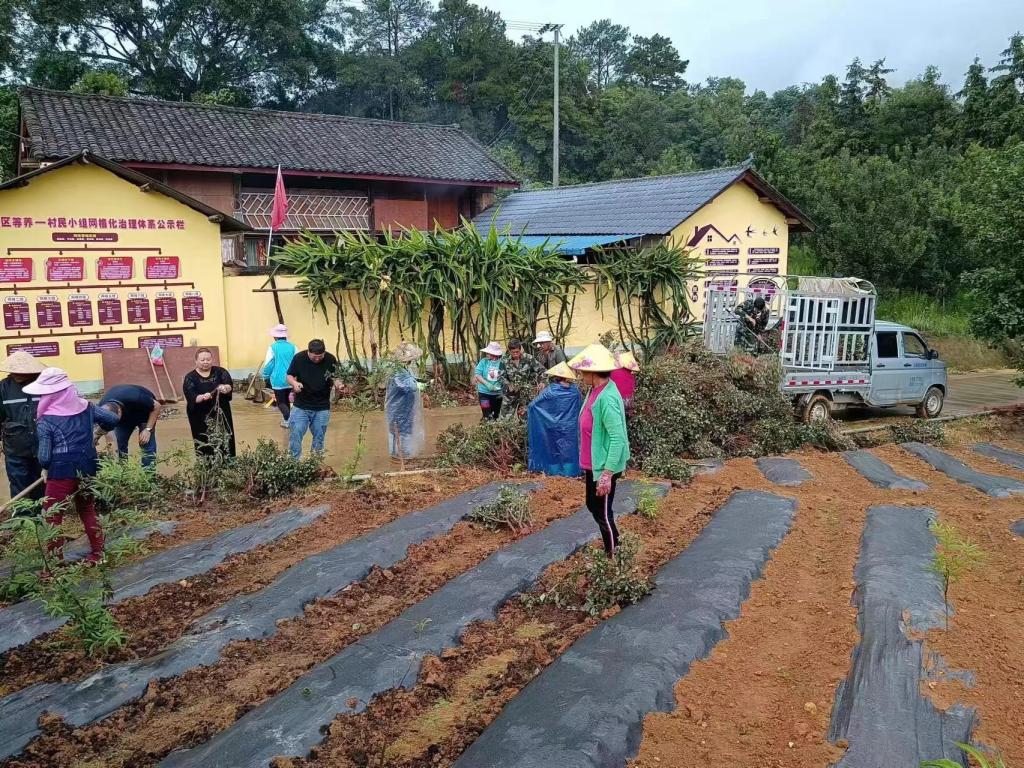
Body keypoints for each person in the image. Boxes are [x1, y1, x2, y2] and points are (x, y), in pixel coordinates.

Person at [26, 368, 119, 563]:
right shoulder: (87, 408)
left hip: (60, 471)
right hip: (88, 466)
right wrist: (96, 433)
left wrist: (45, 468)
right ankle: (98, 554)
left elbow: (44, 457)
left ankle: (55, 565)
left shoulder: (46, 420)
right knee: (87, 509)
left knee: (53, 516)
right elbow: (112, 419)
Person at [569, 343, 631, 557]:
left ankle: (613, 554)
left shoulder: (607, 398)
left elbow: (617, 438)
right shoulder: (594, 391)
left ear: (593, 372)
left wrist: (607, 473)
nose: (581, 374)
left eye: (583, 371)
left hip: (604, 465)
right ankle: (615, 545)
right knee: (592, 505)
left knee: (603, 513)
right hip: (592, 463)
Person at [0, 351, 46, 504]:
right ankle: (22, 515)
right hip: (15, 446)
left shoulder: (43, 386)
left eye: (21, 372)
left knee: (41, 482)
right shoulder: (3, 387)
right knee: (18, 482)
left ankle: (41, 513)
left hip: (42, 444)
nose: (16, 374)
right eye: (14, 371)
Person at [286, 338, 341, 459]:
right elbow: (289, 375)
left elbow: (336, 377)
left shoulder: (330, 359)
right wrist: (294, 383)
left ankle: (314, 463)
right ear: (308, 352)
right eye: (314, 357)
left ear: (324, 353)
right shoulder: (299, 358)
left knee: (319, 437)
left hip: (322, 406)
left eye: (320, 356)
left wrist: (339, 385)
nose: (317, 359)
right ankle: (293, 462)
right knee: (296, 434)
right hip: (301, 406)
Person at [527, 362, 582, 477]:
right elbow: (579, 408)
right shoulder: (575, 391)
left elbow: (533, 405)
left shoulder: (551, 391)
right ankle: (570, 473)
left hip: (552, 426)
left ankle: (554, 474)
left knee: (553, 450)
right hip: (570, 427)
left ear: (556, 376)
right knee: (569, 450)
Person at [182, 348, 236, 458]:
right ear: (196, 361)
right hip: (200, 415)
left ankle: (227, 461)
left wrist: (225, 388)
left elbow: (229, 385)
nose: (206, 362)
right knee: (204, 439)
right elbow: (192, 397)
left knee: (225, 437)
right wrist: (202, 397)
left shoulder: (221, 371)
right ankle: (206, 463)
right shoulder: (190, 377)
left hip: (221, 412)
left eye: (208, 359)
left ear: (212, 360)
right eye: (202, 360)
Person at [98, 383, 161, 468]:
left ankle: (149, 473)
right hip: (125, 418)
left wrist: (148, 429)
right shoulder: (102, 409)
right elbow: (109, 436)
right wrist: (110, 448)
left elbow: (157, 406)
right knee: (119, 443)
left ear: (119, 412)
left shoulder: (136, 397)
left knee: (146, 443)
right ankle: (123, 472)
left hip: (145, 414)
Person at [385, 342, 426, 460]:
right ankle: (400, 454)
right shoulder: (397, 372)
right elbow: (409, 386)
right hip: (398, 407)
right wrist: (422, 385)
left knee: (404, 428)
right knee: (400, 429)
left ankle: (401, 453)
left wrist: (420, 382)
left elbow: (411, 381)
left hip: (405, 405)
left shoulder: (404, 369)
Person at [262, 324, 297, 428]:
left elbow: (269, 364)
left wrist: (265, 376)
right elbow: (297, 362)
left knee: (281, 401)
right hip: (291, 379)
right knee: (286, 400)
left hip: (277, 379)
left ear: (275, 336)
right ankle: (287, 420)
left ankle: (288, 418)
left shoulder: (272, 347)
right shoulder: (293, 347)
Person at [501, 339, 544, 415]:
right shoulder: (504, 360)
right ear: (509, 351)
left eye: (517, 352)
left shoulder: (529, 358)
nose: (515, 354)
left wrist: (542, 382)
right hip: (510, 394)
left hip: (526, 393)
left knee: (526, 416)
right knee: (506, 417)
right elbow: (500, 376)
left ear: (520, 350)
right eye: (513, 352)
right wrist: (508, 384)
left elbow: (542, 370)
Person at [474, 341, 505, 420]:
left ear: (495, 354)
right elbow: (477, 374)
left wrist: (500, 384)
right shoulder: (483, 362)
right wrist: (487, 384)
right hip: (484, 394)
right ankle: (486, 422)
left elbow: (506, 376)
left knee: (496, 415)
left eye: (489, 353)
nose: (486, 354)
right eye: (487, 352)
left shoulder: (502, 363)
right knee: (487, 414)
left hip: (498, 394)